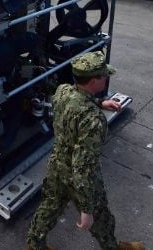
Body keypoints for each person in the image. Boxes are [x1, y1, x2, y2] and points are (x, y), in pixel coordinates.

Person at [26, 51, 143, 250]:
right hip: (77, 175)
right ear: (93, 81)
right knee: (101, 217)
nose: (106, 77)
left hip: (57, 164)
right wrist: (87, 209)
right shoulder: (93, 120)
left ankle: (34, 245)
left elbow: (74, 100)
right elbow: (83, 167)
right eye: (103, 75)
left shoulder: (62, 91)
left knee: (49, 207)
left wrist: (99, 102)